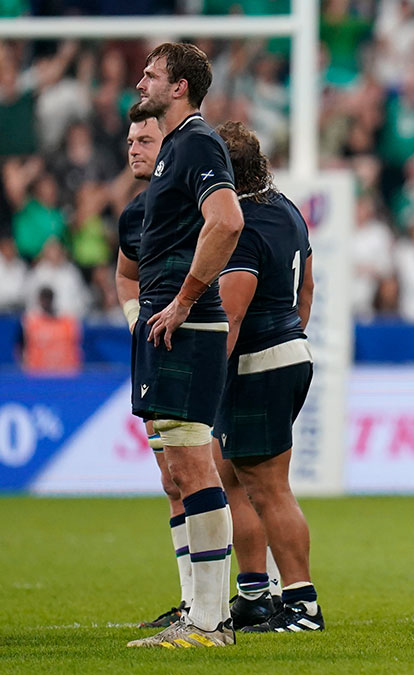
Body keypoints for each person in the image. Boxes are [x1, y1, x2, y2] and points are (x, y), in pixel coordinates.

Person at [124, 42, 244, 649]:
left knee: (195, 468)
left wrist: (186, 299)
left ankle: (210, 622)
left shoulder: (197, 142)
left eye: (152, 73)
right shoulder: (174, 149)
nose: (140, 79)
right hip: (167, 324)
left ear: (179, 87)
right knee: (178, 470)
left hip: (186, 326)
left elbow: (227, 220)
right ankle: (198, 612)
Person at [211, 120, 324, 633]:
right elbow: (308, 290)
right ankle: (255, 594)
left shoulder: (241, 226)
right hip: (286, 349)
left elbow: (231, 315)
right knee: (234, 474)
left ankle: (302, 604)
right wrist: (289, 336)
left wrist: (207, 379)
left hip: (258, 359)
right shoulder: (287, 211)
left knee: (268, 486)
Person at [113, 102, 195, 630]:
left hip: (200, 349)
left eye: (144, 141)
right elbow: (125, 276)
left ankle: (254, 591)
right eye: (130, 142)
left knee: (210, 474)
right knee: (173, 480)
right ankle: (193, 601)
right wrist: (136, 320)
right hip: (154, 352)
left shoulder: (194, 205)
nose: (134, 151)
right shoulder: (133, 214)